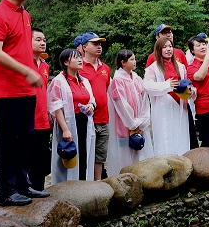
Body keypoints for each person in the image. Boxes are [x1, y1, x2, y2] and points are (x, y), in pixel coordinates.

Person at [0, 0, 49, 205]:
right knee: (9, 142)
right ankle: (6, 192)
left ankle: (23, 185)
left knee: (26, 140)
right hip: (7, 91)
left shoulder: (25, 14)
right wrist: (26, 71)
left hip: (26, 89)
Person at [48, 48, 96, 182]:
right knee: (69, 154)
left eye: (80, 57)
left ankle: (83, 184)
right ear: (66, 62)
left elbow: (92, 99)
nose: (80, 60)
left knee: (84, 154)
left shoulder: (84, 81)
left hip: (84, 121)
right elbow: (56, 107)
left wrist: (91, 105)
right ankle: (67, 186)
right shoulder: (59, 81)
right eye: (76, 57)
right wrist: (65, 129)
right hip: (68, 122)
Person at [145, 38, 192, 156]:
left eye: (170, 46)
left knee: (181, 134)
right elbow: (148, 86)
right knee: (165, 136)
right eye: (164, 47)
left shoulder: (181, 67)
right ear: (158, 49)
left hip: (180, 105)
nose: (168, 49)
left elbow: (188, 83)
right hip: (163, 108)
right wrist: (167, 85)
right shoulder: (153, 68)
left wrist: (190, 91)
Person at [106, 49, 150, 175]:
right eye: (132, 59)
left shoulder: (136, 78)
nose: (135, 62)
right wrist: (132, 122)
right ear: (123, 62)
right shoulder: (118, 80)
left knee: (138, 149)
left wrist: (141, 120)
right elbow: (120, 103)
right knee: (124, 153)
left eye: (134, 59)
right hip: (124, 122)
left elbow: (144, 98)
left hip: (138, 121)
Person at [76, 32, 111, 180]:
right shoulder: (78, 67)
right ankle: (84, 184)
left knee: (100, 156)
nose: (99, 46)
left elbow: (106, 89)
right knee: (85, 154)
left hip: (103, 118)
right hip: (86, 118)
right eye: (94, 44)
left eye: (100, 44)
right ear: (84, 47)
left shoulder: (105, 68)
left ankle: (97, 184)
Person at [29, 28, 52, 191]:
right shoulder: (22, 64)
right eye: (38, 39)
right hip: (28, 120)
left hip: (43, 120)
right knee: (27, 161)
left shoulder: (45, 65)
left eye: (44, 40)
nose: (42, 43)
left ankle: (40, 192)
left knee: (41, 162)